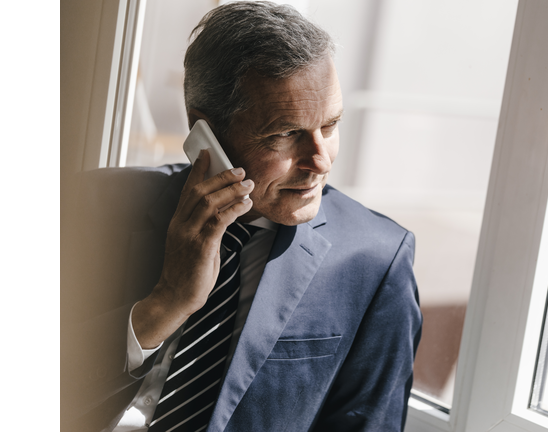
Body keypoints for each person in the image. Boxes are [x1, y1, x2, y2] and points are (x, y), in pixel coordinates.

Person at [60, 2, 422, 431]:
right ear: (203, 132)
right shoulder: (85, 208)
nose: (320, 162)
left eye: (329, 126)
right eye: (285, 134)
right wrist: (167, 302)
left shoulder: (375, 260)